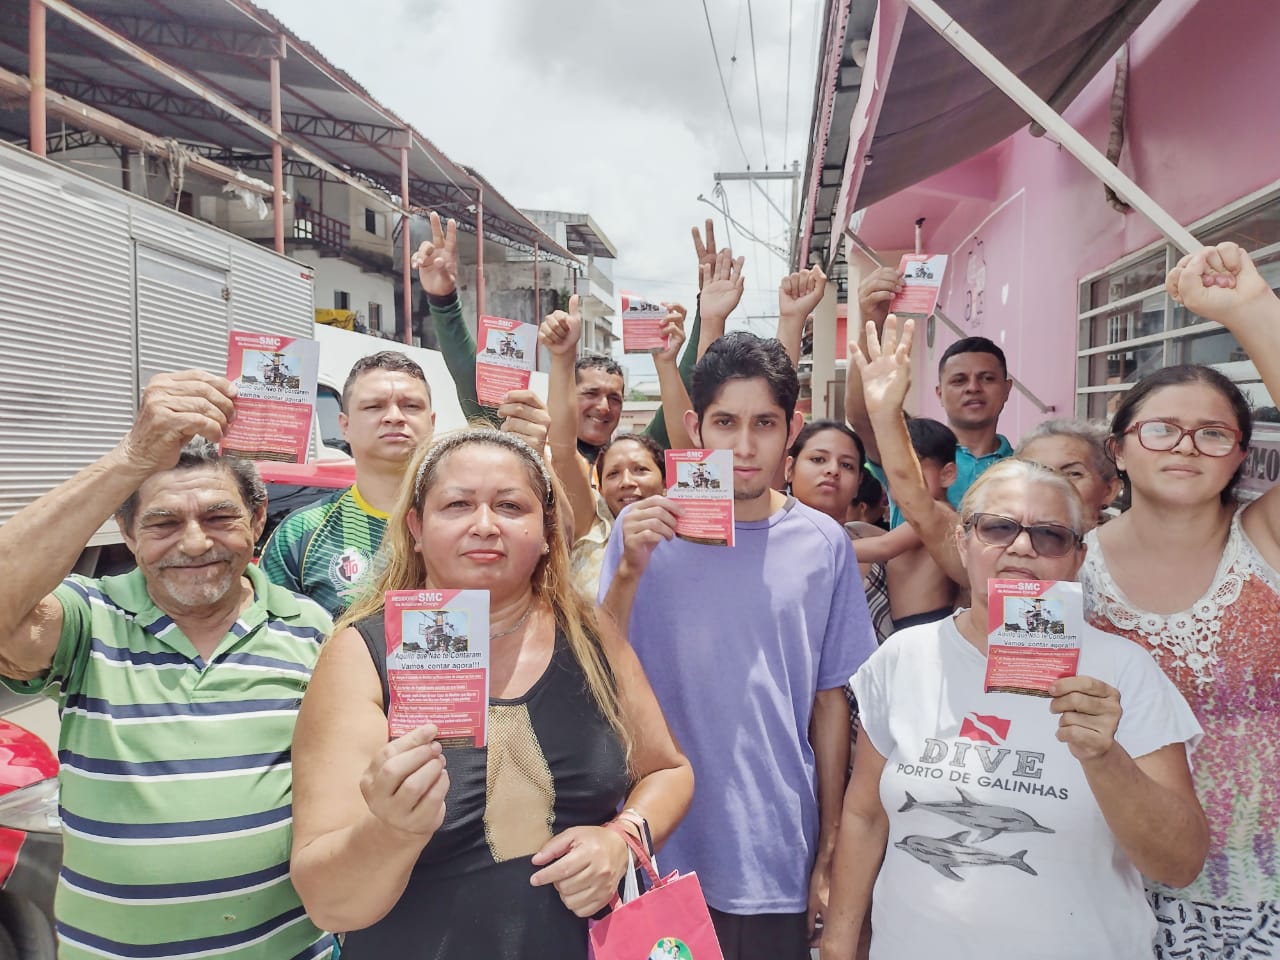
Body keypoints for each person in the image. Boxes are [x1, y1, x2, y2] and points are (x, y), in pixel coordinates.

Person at [289, 429, 693, 959]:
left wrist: (622, 838)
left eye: (510, 505)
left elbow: (668, 771)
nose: (484, 526)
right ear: (416, 527)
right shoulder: (361, 654)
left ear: (547, 531)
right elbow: (329, 904)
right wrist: (390, 830)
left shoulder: (591, 635)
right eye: (457, 504)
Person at [0, 371, 336, 960]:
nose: (196, 542)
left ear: (257, 522)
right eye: (162, 523)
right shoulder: (89, 618)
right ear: (125, 531)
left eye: (218, 518)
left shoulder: (310, 627)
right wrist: (131, 459)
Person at [822, 458, 1207, 960]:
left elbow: (1179, 864)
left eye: (1050, 536)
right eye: (998, 528)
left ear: (1077, 557)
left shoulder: (1124, 670)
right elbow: (865, 814)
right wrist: (838, 943)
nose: (1022, 546)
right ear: (963, 541)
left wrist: (1104, 757)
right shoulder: (905, 656)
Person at [599, 332, 877, 960]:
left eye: (764, 423)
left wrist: (828, 851)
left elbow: (831, 707)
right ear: (696, 427)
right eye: (726, 422)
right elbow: (599, 669)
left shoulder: (824, 544)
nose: (744, 447)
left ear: (792, 428)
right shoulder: (640, 530)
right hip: (657, 844)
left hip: (777, 848)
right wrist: (628, 572)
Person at [1080, 242, 1280, 958]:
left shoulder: (1263, 543)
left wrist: (1248, 309)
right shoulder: (1068, 562)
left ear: (1240, 455)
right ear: (1121, 450)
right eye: (1161, 429)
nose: (1186, 446)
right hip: (1113, 885)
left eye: (1214, 433)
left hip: (1268, 895)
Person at [261, 347, 549, 615]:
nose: (394, 417)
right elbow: (265, 638)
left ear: (432, 422)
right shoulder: (300, 533)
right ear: (344, 426)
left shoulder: (480, 527)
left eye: (411, 406)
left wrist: (542, 462)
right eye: (374, 406)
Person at [853, 315, 1122, 591]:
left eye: (1072, 472)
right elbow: (917, 501)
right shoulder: (995, 561)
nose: (1054, 485)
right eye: (1041, 472)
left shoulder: (1128, 555)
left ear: (1110, 489)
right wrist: (885, 410)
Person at [540, 297, 683, 599]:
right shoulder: (591, 525)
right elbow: (563, 449)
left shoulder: (688, 530)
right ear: (600, 488)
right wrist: (562, 358)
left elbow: (689, 440)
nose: (628, 482)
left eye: (641, 469)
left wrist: (668, 363)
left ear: (668, 481)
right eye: (614, 474)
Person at [846, 266, 1013, 520]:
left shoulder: (1022, 466)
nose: (973, 387)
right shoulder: (909, 449)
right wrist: (872, 320)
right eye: (959, 380)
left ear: (1007, 389)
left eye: (987, 378)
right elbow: (862, 418)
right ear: (939, 393)